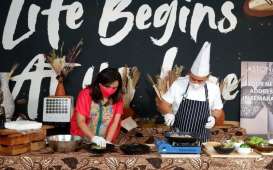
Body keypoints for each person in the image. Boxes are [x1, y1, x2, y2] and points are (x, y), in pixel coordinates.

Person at [156, 42, 224, 142]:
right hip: (177, 136)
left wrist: (214, 118)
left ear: (207, 77)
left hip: (202, 140)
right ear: (189, 73)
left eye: (200, 80)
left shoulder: (213, 88)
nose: (196, 82)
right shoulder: (178, 84)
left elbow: (219, 111)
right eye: (193, 79)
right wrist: (167, 113)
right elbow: (163, 103)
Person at [70, 68, 124, 147]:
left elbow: (115, 123)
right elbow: (80, 121)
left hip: (105, 139)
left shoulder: (118, 97)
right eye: (107, 86)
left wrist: (107, 142)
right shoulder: (85, 94)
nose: (110, 90)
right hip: (83, 139)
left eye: (114, 88)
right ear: (99, 84)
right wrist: (93, 138)